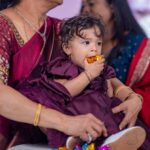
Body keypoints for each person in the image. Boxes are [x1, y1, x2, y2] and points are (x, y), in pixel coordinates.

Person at [16, 14, 150, 150]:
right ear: (67, 48)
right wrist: (88, 75)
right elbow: (63, 91)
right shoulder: (63, 67)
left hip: (102, 112)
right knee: (89, 109)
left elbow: (113, 91)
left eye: (98, 43)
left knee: (112, 110)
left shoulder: (102, 69)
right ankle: (76, 140)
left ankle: (113, 138)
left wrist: (113, 87)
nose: (94, 48)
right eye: (86, 43)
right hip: (77, 113)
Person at [0, 0, 106, 149]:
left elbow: (94, 65)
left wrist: (127, 94)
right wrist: (65, 122)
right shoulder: (2, 26)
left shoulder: (60, 29)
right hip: (9, 138)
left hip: (47, 139)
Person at [81, 0, 150, 128]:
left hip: (127, 124)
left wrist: (132, 98)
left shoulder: (139, 47)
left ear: (112, 7)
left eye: (91, 4)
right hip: (86, 122)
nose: (85, 10)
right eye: (83, 5)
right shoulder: (79, 44)